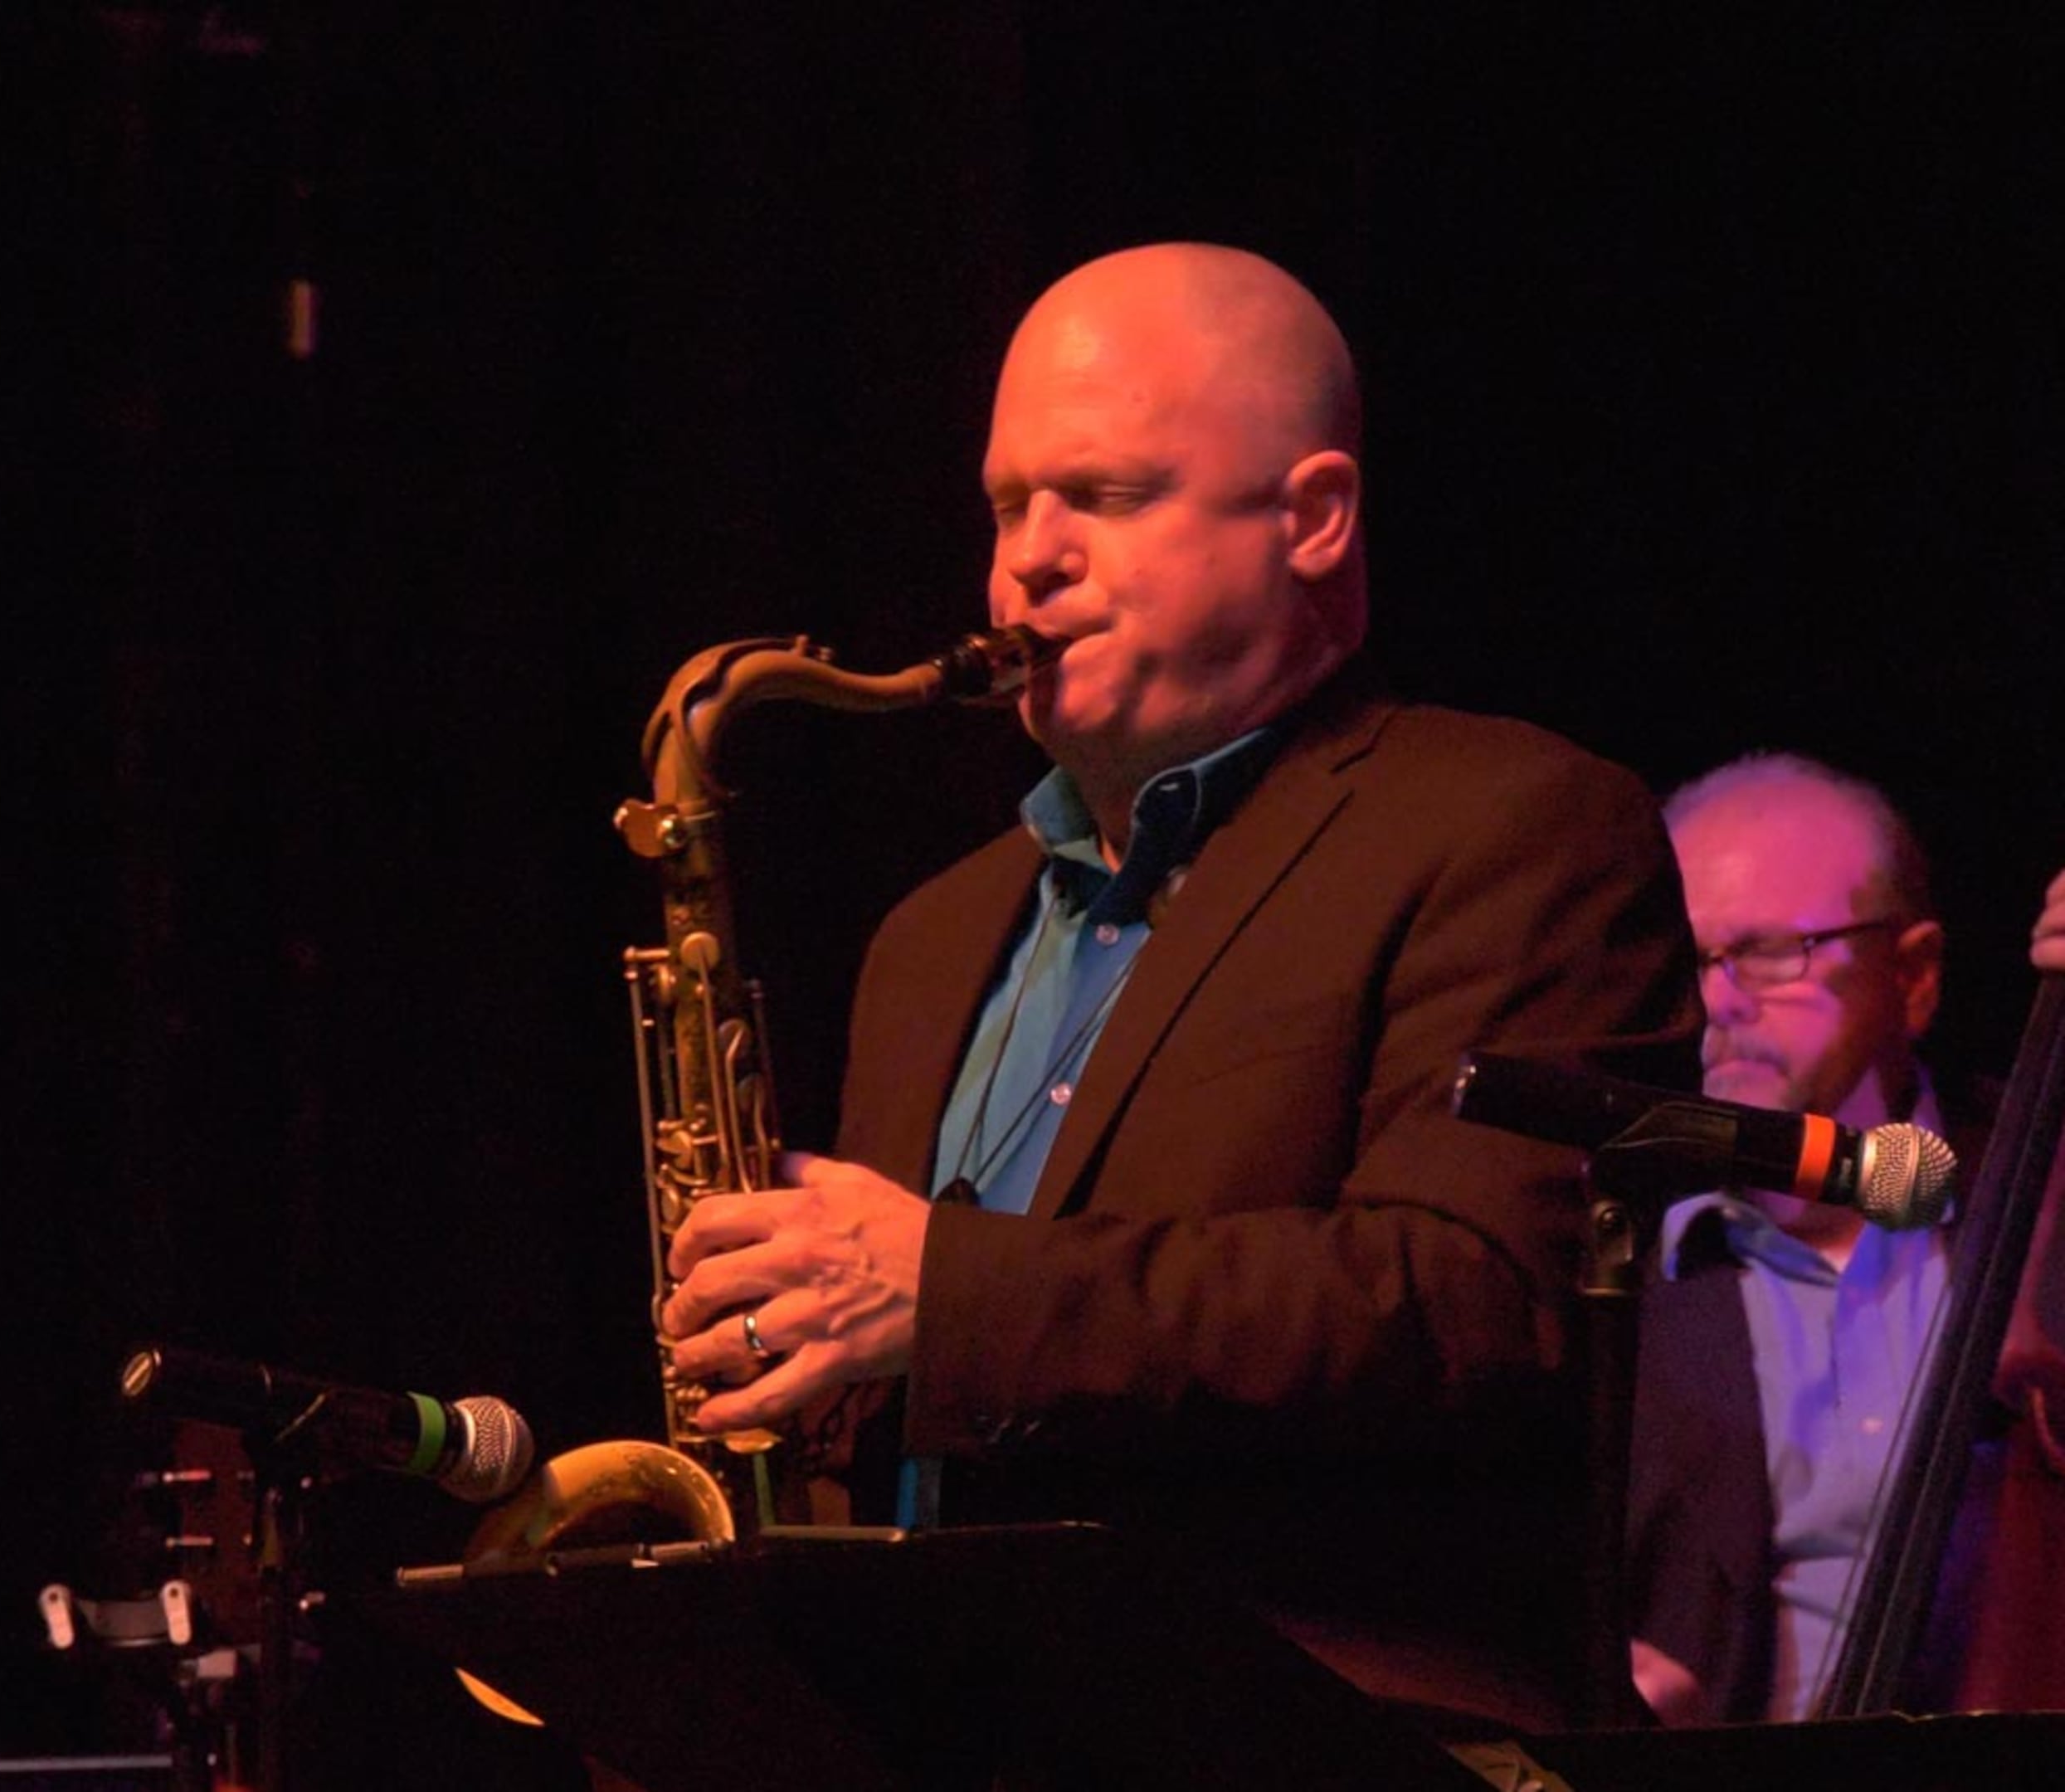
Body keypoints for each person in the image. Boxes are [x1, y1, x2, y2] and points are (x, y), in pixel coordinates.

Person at [653, 241, 1701, 1736]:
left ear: (1315, 518)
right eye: (1010, 504)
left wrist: (940, 1289)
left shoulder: (1515, 827)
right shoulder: (931, 938)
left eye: (1110, 497)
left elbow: (1478, 1308)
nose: (1032, 556)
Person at [1623, 752, 1969, 1724]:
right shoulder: (1615, 1260)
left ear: (1913, 977)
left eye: (1773, 951)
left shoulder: (2030, 1221)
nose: (1720, 1002)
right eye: (1694, 961)